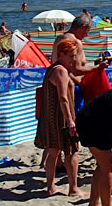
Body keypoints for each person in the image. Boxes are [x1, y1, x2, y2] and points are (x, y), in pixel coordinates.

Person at [35, 38, 83, 197]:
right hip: (60, 117)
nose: (74, 59)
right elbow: (63, 98)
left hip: (50, 116)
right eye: (71, 56)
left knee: (53, 151)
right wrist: (70, 120)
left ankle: (50, 187)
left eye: (75, 55)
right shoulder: (61, 71)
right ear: (61, 54)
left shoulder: (53, 68)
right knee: (71, 152)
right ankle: (73, 188)